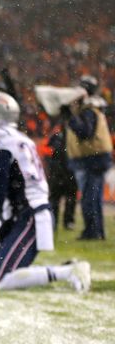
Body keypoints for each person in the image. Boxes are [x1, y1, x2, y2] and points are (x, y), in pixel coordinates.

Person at [0, 91, 91, 292]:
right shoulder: (15, 138)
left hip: (30, 214)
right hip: (24, 211)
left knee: (1, 281)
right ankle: (63, 269)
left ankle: (70, 271)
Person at [61, 90, 112, 240]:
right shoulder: (91, 111)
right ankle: (97, 231)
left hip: (91, 161)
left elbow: (85, 133)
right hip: (95, 160)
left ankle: (93, 232)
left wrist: (70, 117)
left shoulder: (88, 112)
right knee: (93, 198)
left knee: (89, 198)